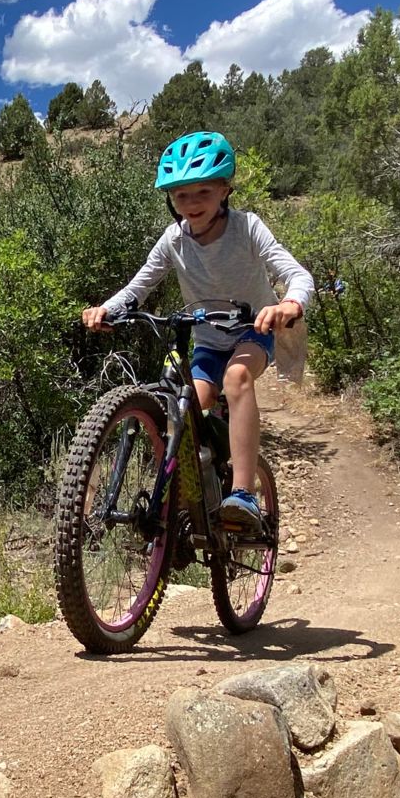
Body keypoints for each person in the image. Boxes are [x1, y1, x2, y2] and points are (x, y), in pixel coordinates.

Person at [82, 131, 314, 533]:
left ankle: (243, 494)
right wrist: (109, 309)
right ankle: (193, 496)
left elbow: (294, 273)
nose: (191, 204)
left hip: (252, 332)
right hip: (207, 338)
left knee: (237, 378)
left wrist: (289, 304)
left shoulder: (247, 227)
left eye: (202, 191)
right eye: (181, 195)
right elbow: (140, 286)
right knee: (186, 410)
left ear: (225, 189)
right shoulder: (174, 240)